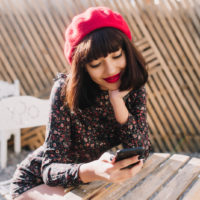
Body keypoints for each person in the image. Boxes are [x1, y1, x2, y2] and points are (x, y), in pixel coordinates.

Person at [10, 6, 151, 200]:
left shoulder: (132, 88)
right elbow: (50, 169)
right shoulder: (64, 91)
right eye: (95, 64)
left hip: (82, 182)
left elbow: (142, 150)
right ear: (82, 67)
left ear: (127, 51)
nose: (110, 69)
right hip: (35, 182)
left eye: (116, 56)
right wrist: (92, 170)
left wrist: (118, 102)